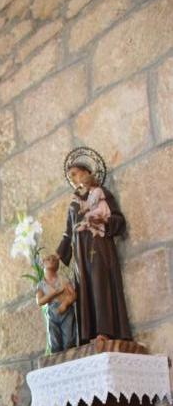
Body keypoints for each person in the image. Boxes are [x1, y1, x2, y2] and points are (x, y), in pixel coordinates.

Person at [57, 148, 132, 345]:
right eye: (70, 177)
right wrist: (59, 255)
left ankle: (105, 331)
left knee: (100, 284)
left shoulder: (101, 194)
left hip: (99, 246)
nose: (73, 179)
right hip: (80, 252)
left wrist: (102, 221)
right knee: (84, 288)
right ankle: (88, 334)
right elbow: (68, 232)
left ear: (86, 172)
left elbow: (118, 220)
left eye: (75, 174)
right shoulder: (74, 203)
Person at [36, 252, 76, 353]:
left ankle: (70, 357)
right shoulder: (41, 285)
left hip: (66, 311)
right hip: (52, 313)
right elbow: (39, 301)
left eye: (54, 259)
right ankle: (57, 359)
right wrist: (53, 294)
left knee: (69, 341)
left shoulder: (63, 280)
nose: (52, 260)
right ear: (43, 263)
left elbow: (74, 295)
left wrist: (65, 303)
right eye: (49, 259)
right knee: (55, 342)